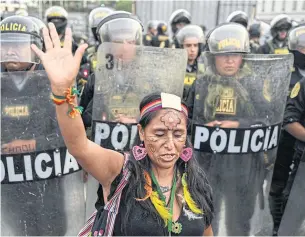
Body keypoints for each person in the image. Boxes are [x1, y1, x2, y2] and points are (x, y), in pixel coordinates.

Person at [31, 22, 214, 236]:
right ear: (142, 133)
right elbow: (78, 145)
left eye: (178, 134)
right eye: (159, 133)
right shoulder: (121, 171)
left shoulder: (196, 182)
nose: (170, 144)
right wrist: (62, 92)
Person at [186, 23, 269, 235]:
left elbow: (267, 121)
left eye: (235, 54)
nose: (230, 60)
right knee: (205, 217)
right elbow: (186, 120)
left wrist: (238, 125)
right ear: (213, 57)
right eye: (224, 55)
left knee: (239, 222)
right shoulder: (201, 85)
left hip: (244, 166)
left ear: (243, 57)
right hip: (207, 164)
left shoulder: (254, 86)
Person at [1, 15, 67, 236]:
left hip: (47, 183)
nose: (10, 51)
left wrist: (32, 144)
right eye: (5, 44)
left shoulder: (54, 84)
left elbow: (68, 134)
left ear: (35, 48)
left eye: (18, 45)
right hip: (10, 185)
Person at [269, 24, 305, 236]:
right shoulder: (283, 70)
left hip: (300, 141)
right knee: (279, 185)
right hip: (283, 137)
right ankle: (277, 228)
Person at [80, 11, 143, 129]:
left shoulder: (148, 76)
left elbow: (160, 113)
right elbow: (82, 116)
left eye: (130, 42)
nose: (125, 47)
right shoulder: (97, 78)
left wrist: (136, 121)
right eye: (118, 42)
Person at [176, 24, 205, 100]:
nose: (192, 50)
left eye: (195, 45)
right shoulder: (174, 68)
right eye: (188, 46)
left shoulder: (204, 69)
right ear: (181, 47)